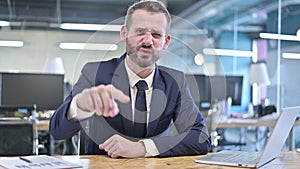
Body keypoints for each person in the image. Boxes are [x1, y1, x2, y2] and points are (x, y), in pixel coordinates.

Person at [50, 0, 211, 158]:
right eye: (140, 32)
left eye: (156, 35)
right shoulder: (95, 73)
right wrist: (79, 106)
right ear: (124, 34)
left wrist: (143, 148)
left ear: (166, 41)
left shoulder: (175, 81)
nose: (148, 41)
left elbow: (201, 137)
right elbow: (57, 131)